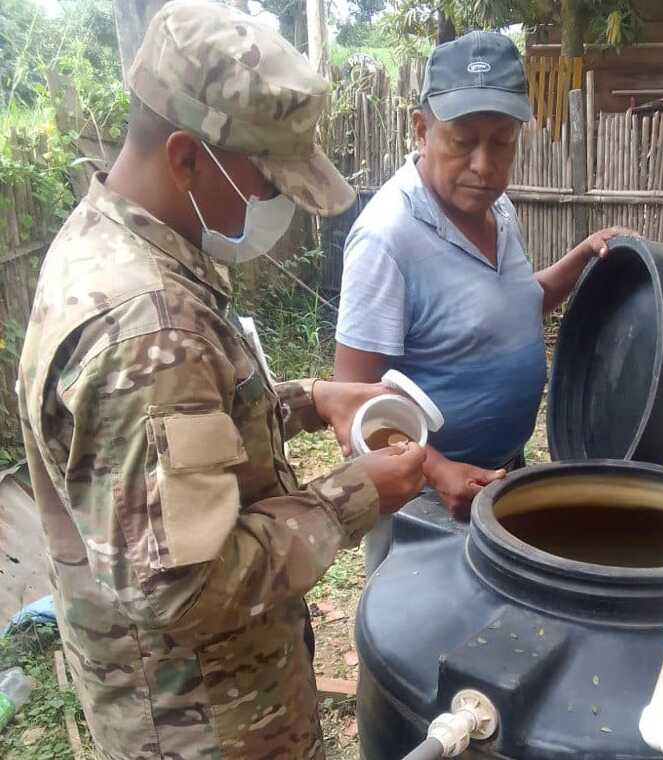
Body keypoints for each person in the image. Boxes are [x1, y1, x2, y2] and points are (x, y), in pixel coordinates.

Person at [16, 2, 425, 758]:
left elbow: (189, 435)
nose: (280, 207)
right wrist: (354, 496)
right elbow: (183, 588)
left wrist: (306, 400)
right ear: (187, 159)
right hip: (203, 725)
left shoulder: (110, 241)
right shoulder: (148, 326)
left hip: (204, 697)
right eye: (268, 180)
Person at [333, 31, 631, 551]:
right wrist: (438, 470)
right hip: (423, 509)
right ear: (422, 130)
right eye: (463, 141)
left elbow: (514, 306)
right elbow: (354, 406)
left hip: (502, 484)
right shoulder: (387, 238)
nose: (484, 164)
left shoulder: (496, 208)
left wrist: (582, 257)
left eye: (502, 141)